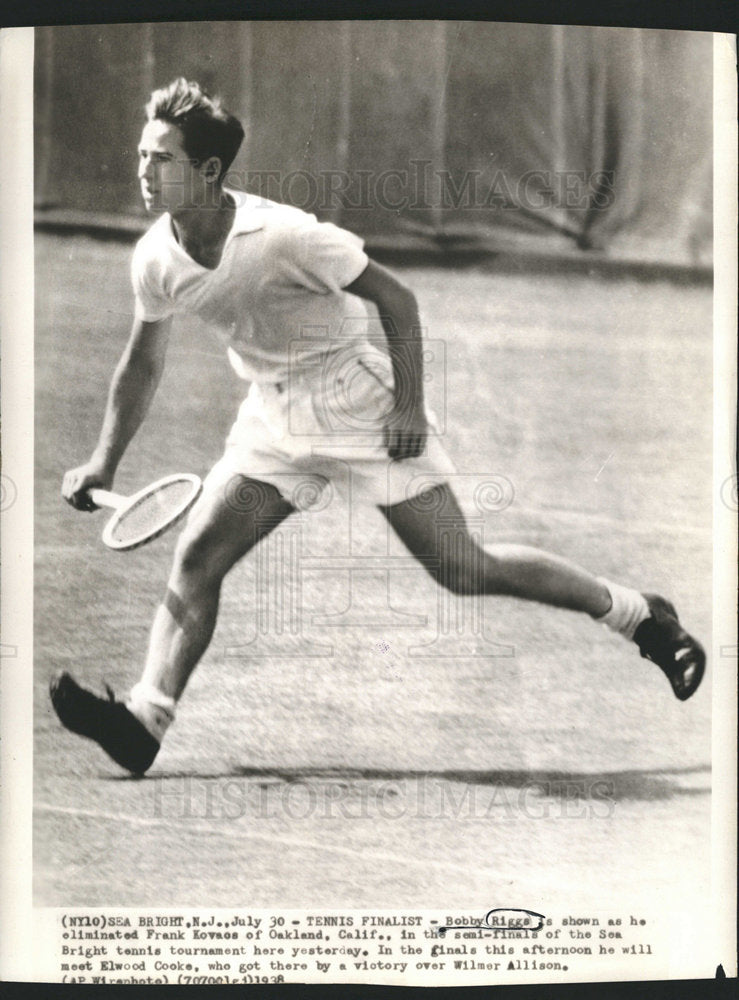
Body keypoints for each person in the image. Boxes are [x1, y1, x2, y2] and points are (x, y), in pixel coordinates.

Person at [50, 78, 705, 775]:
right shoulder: (154, 258)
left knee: (460, 566)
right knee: (198, 558)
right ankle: (145, 720)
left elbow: (397, 297)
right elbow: (142, 363)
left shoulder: (284, 236)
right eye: (142, 155)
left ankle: (639, 617)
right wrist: (102, 462)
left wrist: (406, 407)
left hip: (358, 405)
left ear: (208, 172)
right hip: (272, 418)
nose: (143, 172)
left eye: (162, 160)